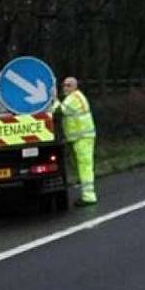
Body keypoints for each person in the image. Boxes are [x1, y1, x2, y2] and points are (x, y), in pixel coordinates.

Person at [53, 77, 97, 206]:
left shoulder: (74, 98)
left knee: (85, 167)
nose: (65, 87)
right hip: (82, 138)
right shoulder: (76, 96)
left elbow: (59, 110)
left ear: (74, 86)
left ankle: (88, 196)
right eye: (64, 85)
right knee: (84, 166)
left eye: (68, 85)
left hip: (82, 138)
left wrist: (54, 98)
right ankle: (88, 194)